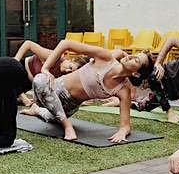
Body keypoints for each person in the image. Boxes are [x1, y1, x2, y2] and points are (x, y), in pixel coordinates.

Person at [23, 38, 154, 143]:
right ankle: (67, 126)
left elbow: (126, 125)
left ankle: (37, 110)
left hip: (70, 106)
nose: (131, 56)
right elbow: (65, 44)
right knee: (39, 80)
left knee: (52, 116)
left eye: (136, 60)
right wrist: (46, 68)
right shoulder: (106, 57)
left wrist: (123, 131)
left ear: (136, 74)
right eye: (135, 55)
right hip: (53, 89)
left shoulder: (122, 90)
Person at [13, 39, 82, 107]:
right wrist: (15, 61)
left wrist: (79, 101)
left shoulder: (64, 76)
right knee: (11, 79)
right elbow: (28, 44)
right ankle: (23, 98)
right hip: (22, 68)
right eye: (70, 67)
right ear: (71, 60)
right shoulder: (54, 57)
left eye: (70, 72)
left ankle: (19, 98)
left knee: (6, 96)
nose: (67, 71)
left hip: (27, 83)